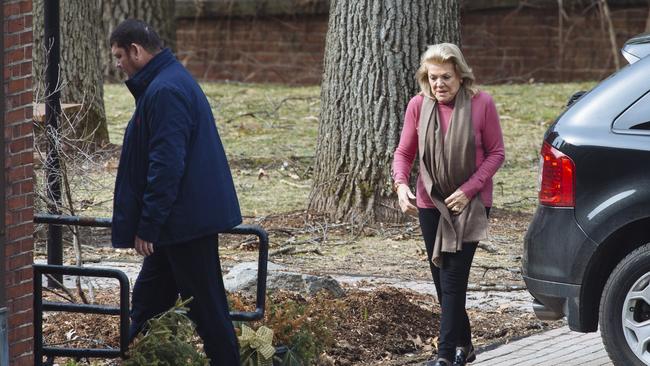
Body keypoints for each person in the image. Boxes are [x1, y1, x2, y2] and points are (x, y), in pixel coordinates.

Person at [109, 19, 242, 365]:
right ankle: (139, 357)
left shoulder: (164, 91)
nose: (119, 64)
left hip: (183, 225)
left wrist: (149, 225)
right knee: (148, 305)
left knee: (208, 312)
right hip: (178, 223)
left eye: (119, 56)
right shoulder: (165, 84)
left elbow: (167, 165)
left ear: (136, 51)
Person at [392, 43, 505, 366]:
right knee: (442, 282)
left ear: (460, 75)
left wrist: (469, 190)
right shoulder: (418, 105)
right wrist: (401, 186)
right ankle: (465, 347)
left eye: (446, 77)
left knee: (454, 280)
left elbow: (497, 153)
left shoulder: (481, 104)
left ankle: (444, 356)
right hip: (430, 202)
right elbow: (404, 153)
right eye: (433, 78)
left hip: (470, 204)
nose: (439, 84)